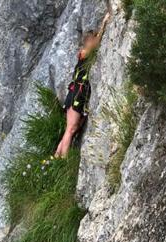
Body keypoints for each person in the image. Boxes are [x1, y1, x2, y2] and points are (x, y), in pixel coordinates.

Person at [54, 13, 111, 158]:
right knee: (71, 129)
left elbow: (97, 41)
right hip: (76, 95)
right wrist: (104, 23)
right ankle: (63, 160)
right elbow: (97, 41)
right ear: (88, 42)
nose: (95, 41)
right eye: (92, 39)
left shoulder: (85, 53)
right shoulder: (84, 53)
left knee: (72, 128)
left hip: (77, 94)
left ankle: (56, 157)